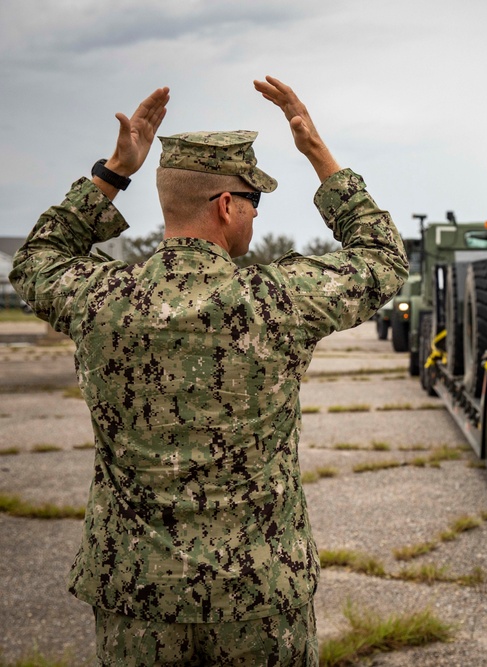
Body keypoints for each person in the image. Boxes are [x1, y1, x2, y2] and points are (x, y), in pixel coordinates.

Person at [10, 77, 407, 665]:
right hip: (260, 596)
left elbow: (36, 259)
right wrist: (318, 153)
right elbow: (382, 257)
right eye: (254, 202)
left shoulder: (100, 298)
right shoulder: (280, 301)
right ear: (227, 205)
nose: (252, 215)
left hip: (138, 599)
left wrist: (114, 171)